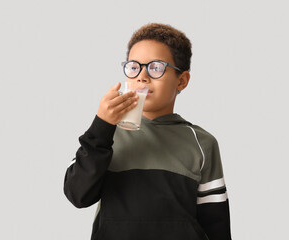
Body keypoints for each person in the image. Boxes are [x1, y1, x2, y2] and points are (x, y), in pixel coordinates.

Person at [63, 23, 232, 240]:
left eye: (156, 67)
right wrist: (101, 125)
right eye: (134, 67)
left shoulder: (202, 143)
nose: (142, 76)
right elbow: (78, 195)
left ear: (182, 80)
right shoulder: (105, 135)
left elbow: (216, 224)